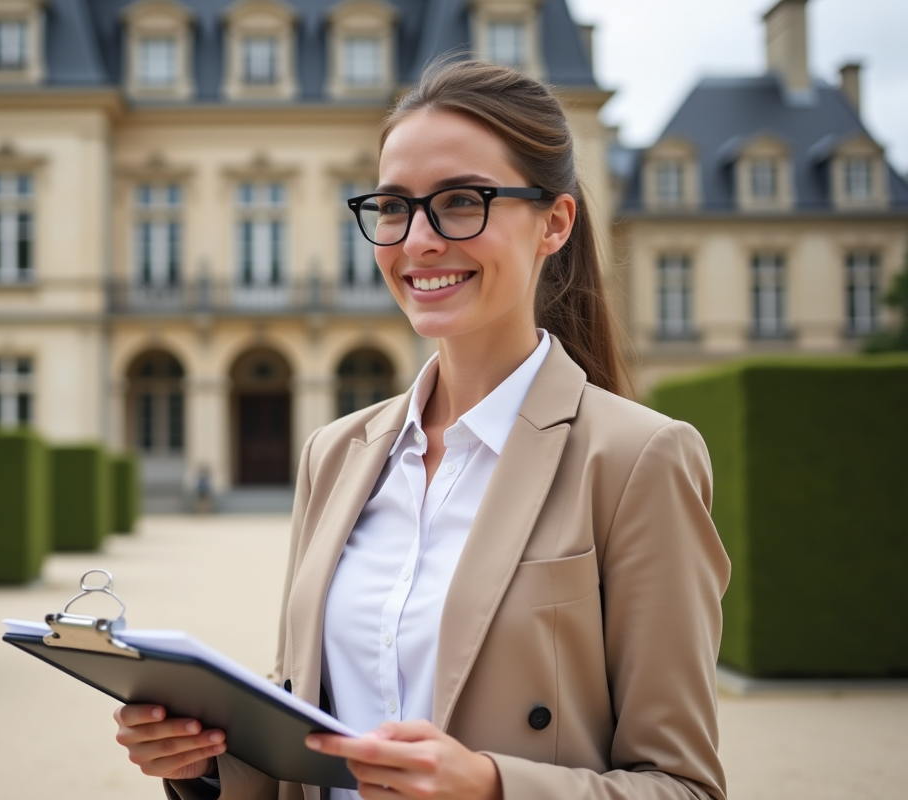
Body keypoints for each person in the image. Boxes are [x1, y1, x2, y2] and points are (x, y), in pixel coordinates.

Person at [113, 59, 730, 800]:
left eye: (462, 202)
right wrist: (206, 763)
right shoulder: (335, 455)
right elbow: (312, 751)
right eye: (394, 206)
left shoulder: (637, 459)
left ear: (554, 223)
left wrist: (492, 786)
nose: (419, 241)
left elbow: (683, 787)